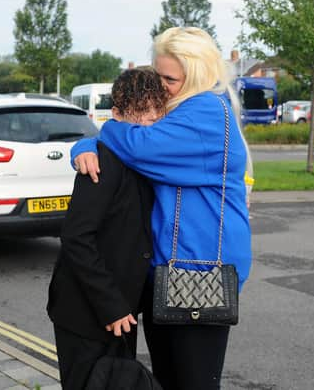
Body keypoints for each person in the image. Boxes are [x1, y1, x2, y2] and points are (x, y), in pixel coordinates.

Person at [70, 26, 253, 390]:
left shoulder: (205, 113)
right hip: (169, 271)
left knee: (192, 382)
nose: (161, 87)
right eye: (159, 75)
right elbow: (133, 136)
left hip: (198, 275)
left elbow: (137, 145)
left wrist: (99, 136)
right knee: (168, 379)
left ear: (197, 75)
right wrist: (84, 147)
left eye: (170, 78)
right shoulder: (180, 109)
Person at [47, 68, 168, 390]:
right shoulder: (101, 161)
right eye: (142, 111)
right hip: (86, 311)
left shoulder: (145, 155)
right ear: (116, 114)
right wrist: (111, 307)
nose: (152, 118)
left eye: (158, 108)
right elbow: (76, 237)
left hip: (121, 310)